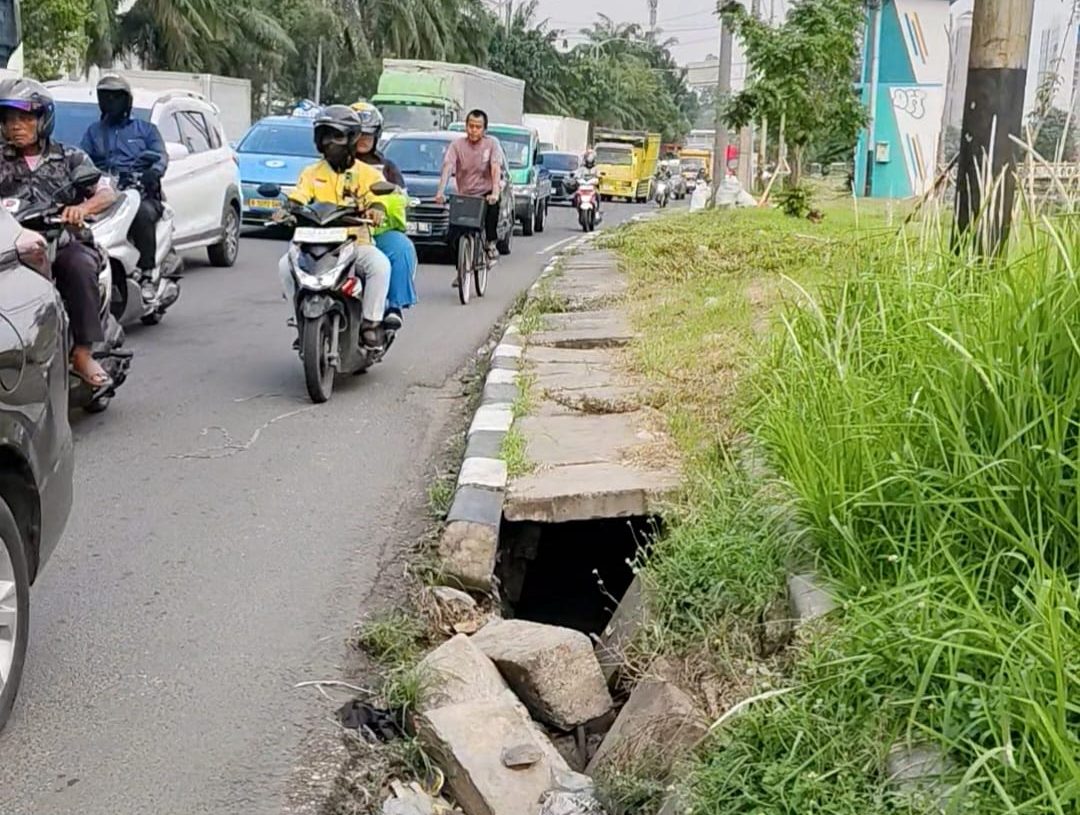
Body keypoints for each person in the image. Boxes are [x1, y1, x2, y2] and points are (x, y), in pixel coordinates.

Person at [0, 78, 116, 389]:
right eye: (8, 120)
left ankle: (82, 352)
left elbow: (106, 193)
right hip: (10, 243)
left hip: (61, 242)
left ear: (43, 119)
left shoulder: (70, 157)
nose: (15, 127)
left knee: (77, 265)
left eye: (24, 118)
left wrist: (84, 209)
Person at [275, 105, 391, 349]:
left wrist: (377, 210)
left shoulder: (367, 173)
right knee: (285, 266)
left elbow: (378, 198)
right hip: (315, 243)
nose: (329, 142)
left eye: (335, 136)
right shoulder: (311, 173)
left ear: (351, 138)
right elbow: (299, 197)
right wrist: (286, 209)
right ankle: (300, 321)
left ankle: (371, 323)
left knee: (380, 266)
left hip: (355, 242)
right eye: (325, 136)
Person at [80, 75, 168, 303]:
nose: (110, 101)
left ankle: (147, 273)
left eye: (116, 96)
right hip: (106, 192)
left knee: (143, 214)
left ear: (127, 100)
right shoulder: (93, 132)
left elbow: (161, 156)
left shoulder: (146, 130)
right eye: (105, 96)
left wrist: (154, 171)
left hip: (140, 193)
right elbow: (81, 160)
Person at [352, 101, 417, 327]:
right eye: (358, 133)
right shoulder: (333, 163)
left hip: (377, 231)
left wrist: (377, 208)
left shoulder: (387, 167)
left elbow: (400, 198)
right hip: (337, 231)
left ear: (377, 134)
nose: (363, 138)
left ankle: (393, 306)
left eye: (368, 134)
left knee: (402, 248)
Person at [434, 109, 502, 269]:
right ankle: (462, 269)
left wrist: (495, 192)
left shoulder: (491, 144)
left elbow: (495, 168)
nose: (474, 130)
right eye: (471, 126)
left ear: (484, 129)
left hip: (486, 192)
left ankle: (490, 244)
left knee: (493, 208)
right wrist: (440, 192)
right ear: (466, 127)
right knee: (453, 234)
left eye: (478, 127)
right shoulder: (457, 145)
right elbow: (448, 166)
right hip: (465, 193)